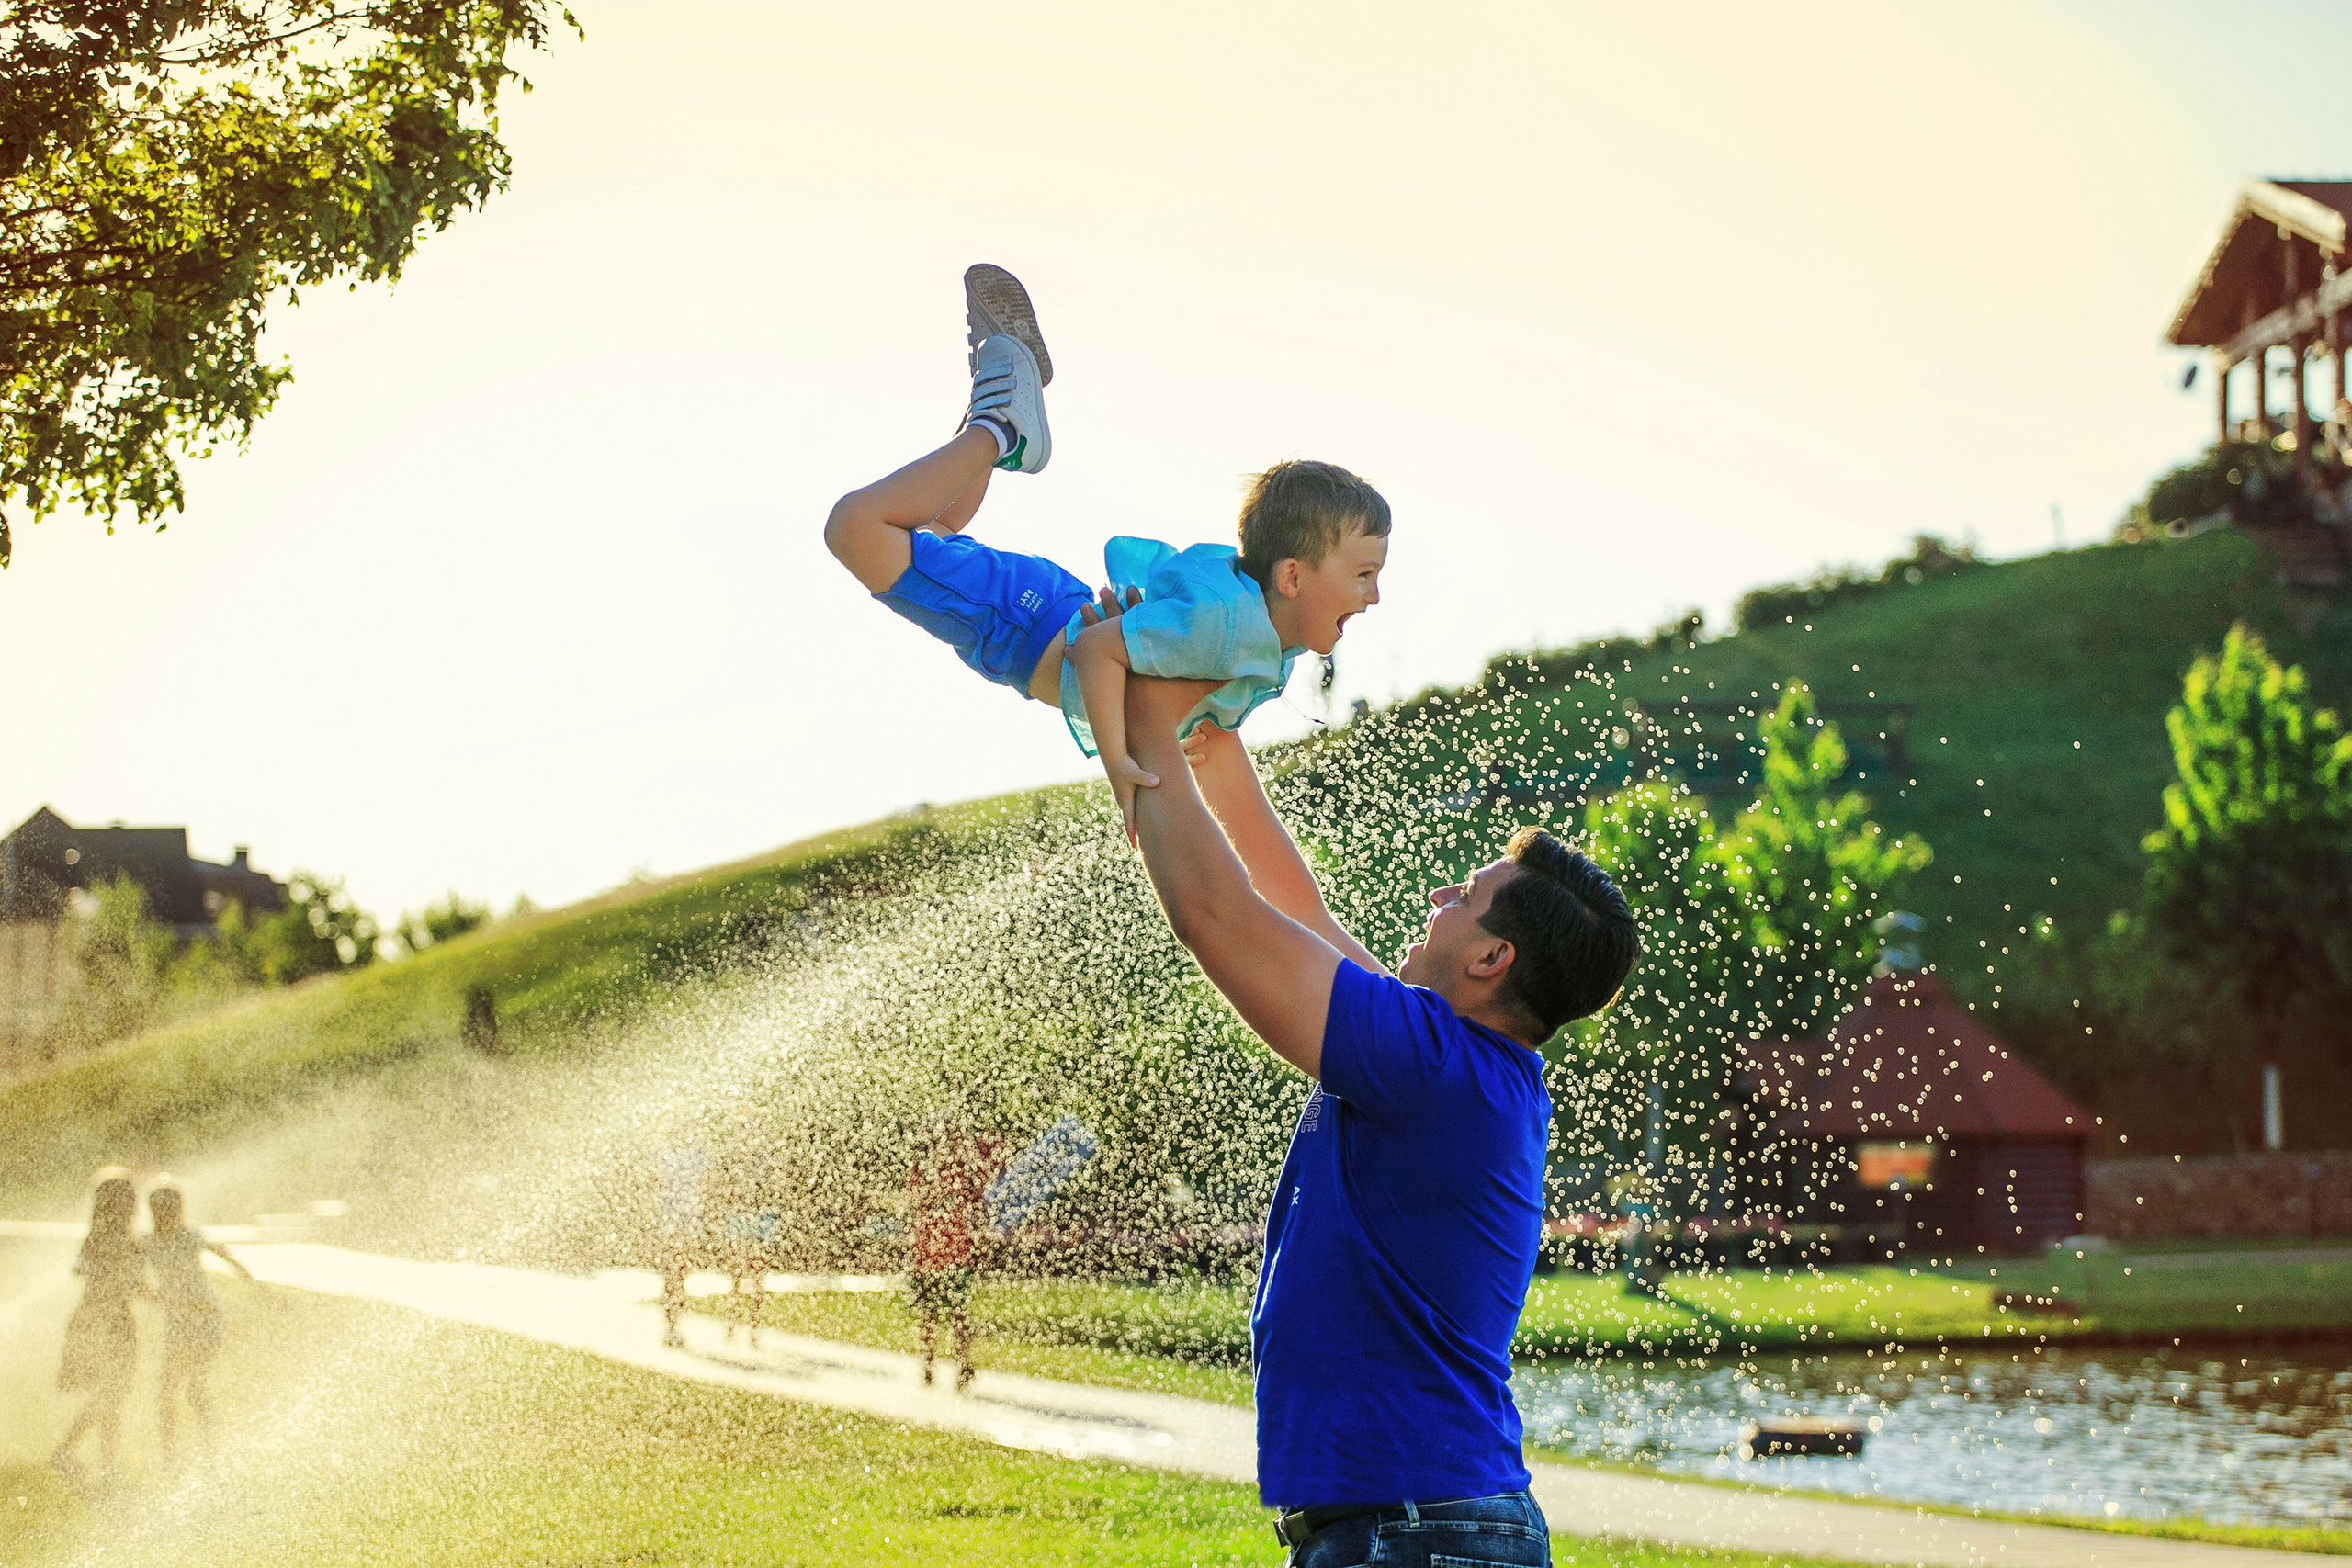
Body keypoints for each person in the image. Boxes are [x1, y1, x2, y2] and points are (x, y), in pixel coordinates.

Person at [1116, 666, 1639, 1566]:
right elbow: (1295, 906)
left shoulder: (1428, 1065)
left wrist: (1152, 729)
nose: (1438, 902)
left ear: (1490, 958)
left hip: (1415, 1529)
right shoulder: (1452, 1061)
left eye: (1460, 899)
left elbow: (1217, 915)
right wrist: (1213, 737)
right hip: (1421, 1525)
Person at [823, 264, 1391, 839]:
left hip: (1039, 611)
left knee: (933, 527)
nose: (1374, 596)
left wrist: (1173, 730)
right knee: (856, 528)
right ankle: (1000, 425)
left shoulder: (1260, 631)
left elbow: (1156, 666)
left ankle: (1001, 387)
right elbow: (1096, 650)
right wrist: (1119, 764)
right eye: (1364, 574)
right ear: (1292, 576)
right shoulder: (1230, 626)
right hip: (1024, 622)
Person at [142, 1178, 254, 1463]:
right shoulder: (148, 1242)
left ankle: (209, 1451)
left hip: (204, 1316)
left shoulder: (189, 1236)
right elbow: (136, 1278)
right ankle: (170, 1456)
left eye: (169, 1209)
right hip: (177, 1318)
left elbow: (227, 1256)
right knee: (168, 1389)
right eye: (158, 1209)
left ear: (178, 1210)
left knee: (194, 1387)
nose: (164, 1215)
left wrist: (261, 1289)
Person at [50, 1168, 147, 1483]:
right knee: (110, 1394)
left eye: (127, 1197)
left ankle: (105, 1465)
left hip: (113, 1319)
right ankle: (71, 1452)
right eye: (120, 1197)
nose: (126, 1203)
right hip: (101, 1321)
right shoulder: (105, 1235)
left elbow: (132, 1283)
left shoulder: (120, 1235)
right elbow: (96, 1274)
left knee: (112, 1397)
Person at [903, 1119, 1007, 1392]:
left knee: (959, 1315)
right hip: (927, 1258)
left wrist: (979, 1237)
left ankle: (962, 1364)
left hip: (953, 1256)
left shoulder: (961, 1172)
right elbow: (914, 1202)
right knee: (930, 1315)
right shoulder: (924, 1171)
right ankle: (928, 1364)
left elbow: (976, 1204)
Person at [651, 1128, 710, 1349]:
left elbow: (705, 1186)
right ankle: (672, 1324)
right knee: (674, 1274)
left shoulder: (696, 1153)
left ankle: (673, 1324)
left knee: (679, 1275)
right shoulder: (666, 1152)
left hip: (684, 1220)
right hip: (673, 1220)